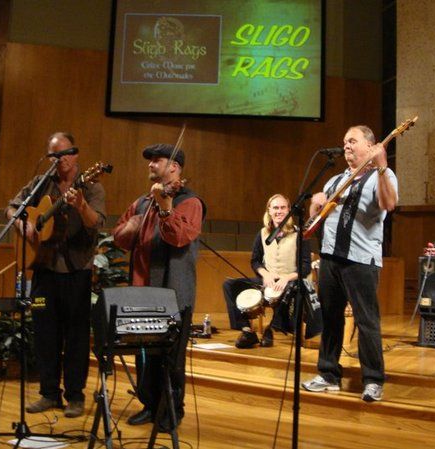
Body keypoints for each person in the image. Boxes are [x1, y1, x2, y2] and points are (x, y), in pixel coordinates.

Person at [6, 132, 106, 418]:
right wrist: (24, 226)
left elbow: (97, 223)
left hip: (76, 271)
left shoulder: (92, 186)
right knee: (44, 332)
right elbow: (11, 208)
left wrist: (81, 206)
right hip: (44, 269)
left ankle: (75, 396)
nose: (58, 160)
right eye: (53, 155)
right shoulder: (41, 183)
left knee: (76, 336)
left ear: (75, 155)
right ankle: (49, 393)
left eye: (62, 154)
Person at [302, 125, 398, 403]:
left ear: (370, 145)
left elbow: (389, 204)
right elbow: (311, 227)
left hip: (360, 260)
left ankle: (373, 380)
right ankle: (328, 374)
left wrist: (382, 165)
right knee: (330, 318)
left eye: (352, 141)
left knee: (367, 321)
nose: (346, 145)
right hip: (330, 258)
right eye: (344, 141)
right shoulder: (334, 180)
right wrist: (314, 206)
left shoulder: (383, 175)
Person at [112, 143, 205, 430]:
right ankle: (150, 405)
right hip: (141, 291)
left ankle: (171, 412)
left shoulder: (189, 201)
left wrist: (165, 208)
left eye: (157, 160)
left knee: (170, 358)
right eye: (150, 161)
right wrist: (129, 228)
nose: (150, 165)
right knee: (144, 356)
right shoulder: (142, 202)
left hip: (173, 293)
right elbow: (119, 236)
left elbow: (179, 237)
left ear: (174, 167)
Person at [223, 194, 311, 348]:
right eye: (275, 208)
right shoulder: (263, 233)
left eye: (283, 207)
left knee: (292, 290)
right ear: (269, 210)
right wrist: (266, 274)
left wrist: (286, 278)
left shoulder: (300, 234)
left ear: (289, 210)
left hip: (290, 281)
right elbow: (255, 261)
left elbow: (305, 266)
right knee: (230, 285)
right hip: (268, 280)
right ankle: (247, 331)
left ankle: (271, 329)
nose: (279, 211)